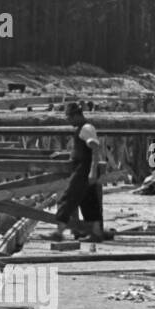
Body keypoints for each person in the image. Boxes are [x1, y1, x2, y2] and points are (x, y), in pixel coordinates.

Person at [53, 101, 108, 243]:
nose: (68, 120)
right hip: (83, 168)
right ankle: (96, 232)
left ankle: (58, 231)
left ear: (77, 115)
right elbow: (82, 149)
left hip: (83, 170)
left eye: (70, 117)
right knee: (88, 201)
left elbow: (95, 147)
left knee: (68, 197)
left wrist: (92, 171)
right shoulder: (81, 128)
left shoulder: (86, 128)